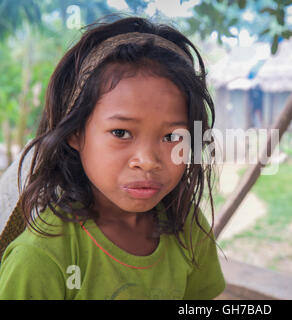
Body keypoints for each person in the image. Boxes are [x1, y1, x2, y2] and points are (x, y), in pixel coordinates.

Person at [0, 16, 225, 300]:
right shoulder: (41, 258)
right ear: (76, 133)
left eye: (172, 137)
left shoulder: (188, 227)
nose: (147, 160)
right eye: (121, 132)